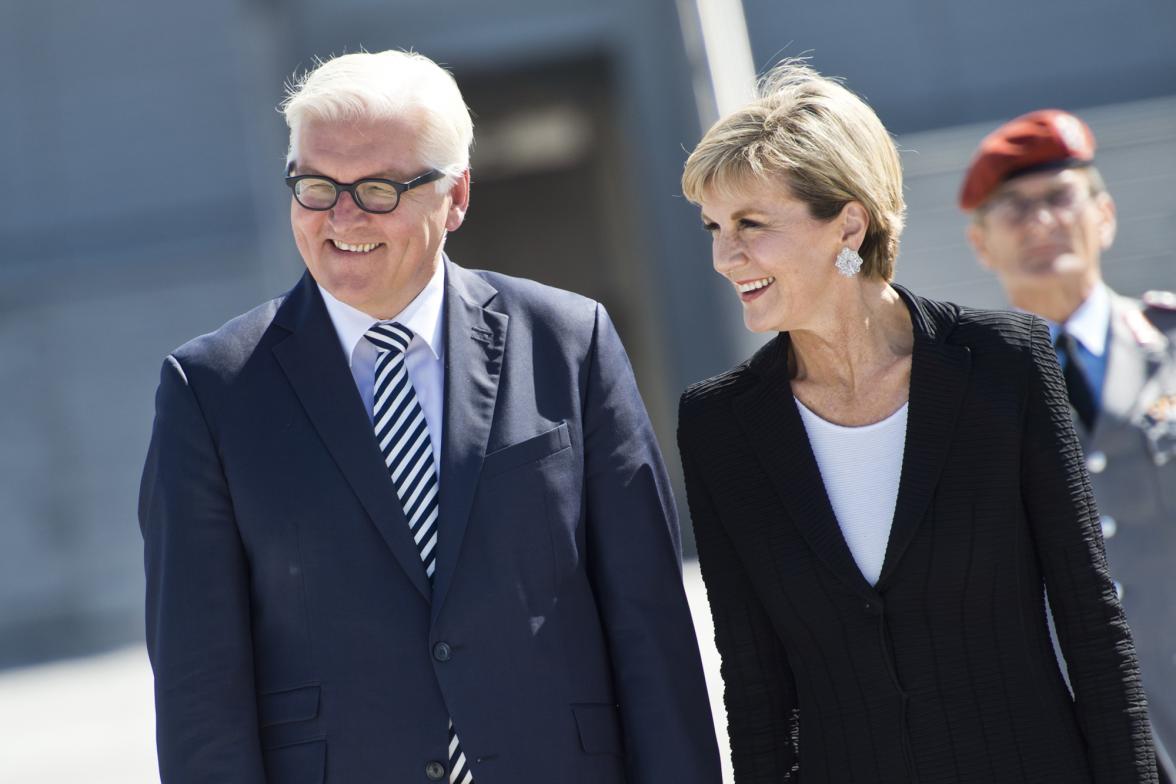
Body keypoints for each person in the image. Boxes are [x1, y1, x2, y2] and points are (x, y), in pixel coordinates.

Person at [139, 49, 721, 784]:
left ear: (456, 196)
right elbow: (198, 685)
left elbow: (650, 627)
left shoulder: (569, 342)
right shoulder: (209, 389)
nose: (341, 216)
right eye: (316, 186)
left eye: (378, 189)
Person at [676, 60, 1157, 783]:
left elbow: (1092, 623)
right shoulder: (719, 424)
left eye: (750, 224)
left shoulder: (1004, 363)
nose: (723, 256)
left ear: (848, 222)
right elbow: (753, 685)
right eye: (714, 226)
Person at [962, 108, 1176, 782]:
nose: (1041, 221)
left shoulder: (1171, 345)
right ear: (980, 244)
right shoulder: (961, 394)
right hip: (1068, 735)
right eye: (1013, 208)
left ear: (1104, 215)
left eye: (1060, 197)